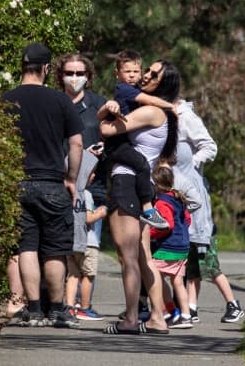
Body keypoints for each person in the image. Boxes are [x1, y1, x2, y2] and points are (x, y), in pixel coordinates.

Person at [2, 42, 84, 328]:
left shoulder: (7, 99)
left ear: (22, 66)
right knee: (54, 248)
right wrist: (71, 178)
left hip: (18, 182)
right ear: (47, 69)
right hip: (52, 182)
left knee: (26, 246)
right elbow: (76, 143)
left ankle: (34, 309)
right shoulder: (60, 101)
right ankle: (58, 310)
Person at [98, 59, 180, 335]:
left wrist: (108, 113)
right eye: (147, 70)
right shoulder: (157, 112)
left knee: (127, 256)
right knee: (143, 256)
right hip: (141, 185)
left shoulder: (152, 111)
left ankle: (131, 318)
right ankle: (157, 317)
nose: (145, 75)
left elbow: (108, 130)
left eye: (152, 74)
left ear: (163, 84)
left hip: (127, 182)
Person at [175, 98, 245, 324]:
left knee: (210, 265)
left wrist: (191, 166)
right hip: (186, 204)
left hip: (200, 215)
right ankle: (192, 307)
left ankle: (233, 304)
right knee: (192, 266)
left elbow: (210, 147)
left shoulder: (187, 118)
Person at [101, 50, 176, 230]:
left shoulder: (135, 91)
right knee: (141, 163)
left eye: (136, 71)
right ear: (117, 73)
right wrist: (170, 105)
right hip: (117, 143)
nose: (133, 75)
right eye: (128, 72)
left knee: (142, 164)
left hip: (123, 141)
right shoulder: (124, 89)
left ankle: (148, 207)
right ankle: (148, 209)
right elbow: (146, 98)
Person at [56, 53, 108, 308]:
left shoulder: (100, 105)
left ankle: (82, 305)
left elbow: (113, 140)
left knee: (86, 250)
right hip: (56, 185)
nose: (74, 78)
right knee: (59, 249)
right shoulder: (52, 102)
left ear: (88, 77)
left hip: (91, 190)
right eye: (69, 72)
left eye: (80, 73)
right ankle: (58, 301)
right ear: (60, 75)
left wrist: (100, 152)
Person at [65, 150, 108, 321]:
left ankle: (69, 307)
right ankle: (84, 307)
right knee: (88, 275)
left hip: (70, 241)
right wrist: (101, 213)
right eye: (91, 172)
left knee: (73, 275)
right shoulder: (86, 194)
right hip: (88, 242)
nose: (94, 175)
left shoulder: (66, 192)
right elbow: (88, 218)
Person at [150, 162, 193, 329]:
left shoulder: (161, 202)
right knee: (178, 282)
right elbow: (187, 220)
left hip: (169, 247)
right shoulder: (178, 198)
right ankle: (185, 316)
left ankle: (169, 312)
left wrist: (149, 233)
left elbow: (167, 225)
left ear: (156, 184)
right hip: (183, 246)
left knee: (153, 275)